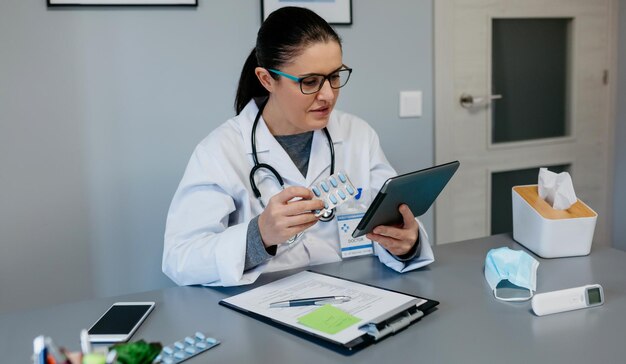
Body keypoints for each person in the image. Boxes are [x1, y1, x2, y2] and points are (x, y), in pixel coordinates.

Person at [163, 6, 433, 287]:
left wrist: (407, 243)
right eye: (310, 82)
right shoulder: (221, 151)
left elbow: (391, 220)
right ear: (267, 79)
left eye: (335, 77)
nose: (328, 95)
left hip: (353, 295)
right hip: (263, 308)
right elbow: (179, 259)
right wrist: (260, 235)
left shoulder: (358, 135)